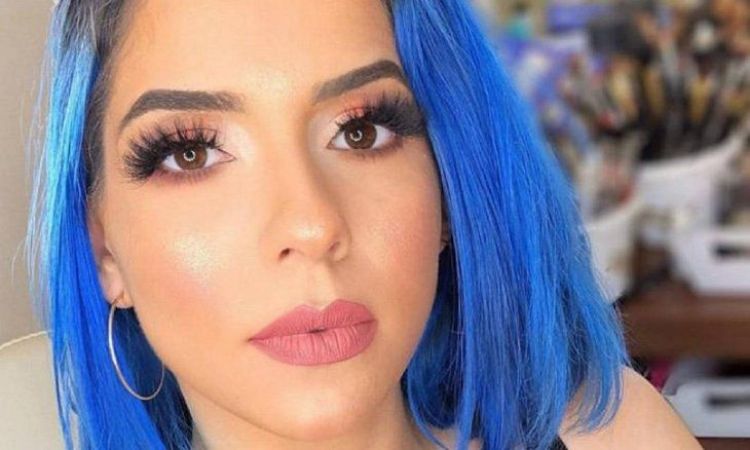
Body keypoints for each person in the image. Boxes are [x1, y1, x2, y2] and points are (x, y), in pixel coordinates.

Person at [24, 0, 701, 449]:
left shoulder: (612, 435)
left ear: (448, 189)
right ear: (105, 249)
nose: (311, 224)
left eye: (361, 131)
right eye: (192, 152)